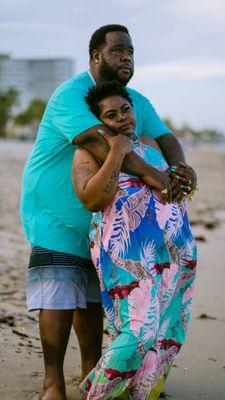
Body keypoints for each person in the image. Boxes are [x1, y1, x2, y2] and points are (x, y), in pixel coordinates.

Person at [20, 24, 197, 400]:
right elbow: (102, 144)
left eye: (131, 51)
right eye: (118, 50)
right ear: (96, 55)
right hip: (56, 212)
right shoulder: (70, 94)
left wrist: (178, 169)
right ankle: (53, 383)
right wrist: (156, 175)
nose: (127, 57)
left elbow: (164, 138)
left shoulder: (133, 99)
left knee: (89, 297)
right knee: (58, 291)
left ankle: (93, 373)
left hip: (105, 224)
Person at [73, 82, 197, 400]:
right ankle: (96, 392)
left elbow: (173, 186)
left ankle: (138, 393)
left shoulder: (150, 143)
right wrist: (116, 151)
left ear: (133, 108)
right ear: (102, 122)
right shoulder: (89, 150)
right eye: (111, 116)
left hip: (173, 249)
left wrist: (186, 178)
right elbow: (90, 197)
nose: (122, 119)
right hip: (125, 250)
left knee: (167, 326)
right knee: (139, 329)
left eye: (125, 109)